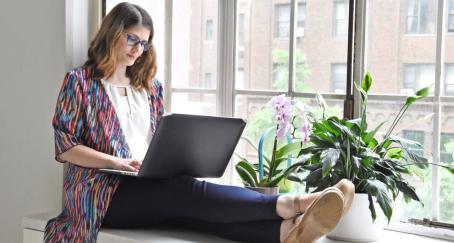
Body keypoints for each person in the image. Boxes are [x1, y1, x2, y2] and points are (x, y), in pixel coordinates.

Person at [44, 3, 355, 243]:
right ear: (112, 33)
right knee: (184, 193)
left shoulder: (150, 88)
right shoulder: (80, 82)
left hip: (147, 183)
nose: (137, 51)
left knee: (193, 214)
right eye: (132, 39)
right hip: (100, 194)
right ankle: (295, 203)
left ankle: (286, 232)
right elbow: (65, 147)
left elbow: (158, 140)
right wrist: (118, 162)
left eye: (144, 44)